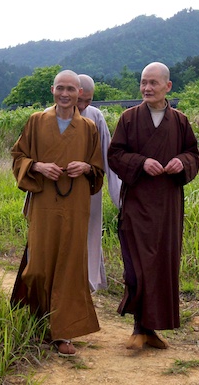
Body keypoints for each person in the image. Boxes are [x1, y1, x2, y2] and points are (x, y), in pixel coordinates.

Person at [10, 70, 105, 356]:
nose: (65, 94)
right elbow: (18, 157)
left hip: (75, 204)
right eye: (60, 89)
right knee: (38, 266)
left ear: (80, 93)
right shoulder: (37, 121)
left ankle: (62, 332)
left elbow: (98, 168)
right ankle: (39, 321)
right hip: (44, 201)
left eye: (71, 90)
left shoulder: (89, 127)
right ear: (52, 90)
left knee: (69, 266)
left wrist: (86, 168)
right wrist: (38, 167)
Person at [108, 62, 199, 350]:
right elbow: (115, 155)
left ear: (167, 87)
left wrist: (181, 162)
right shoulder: (129, 118)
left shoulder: (181, 121)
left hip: (167, 206)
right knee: (136, 266)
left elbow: (193, 155)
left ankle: (151, 328)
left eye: (153, 83)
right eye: (143, 82)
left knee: (161, 266)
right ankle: (138, 327)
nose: (147, 88)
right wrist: (140, 162)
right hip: (137, 202)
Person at [75, 74, 121, 291]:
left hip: (89, 185)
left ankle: (89, 281)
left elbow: (107, 155)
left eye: (88, 101)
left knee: (91, 232)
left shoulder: (95, 116)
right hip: (58, 187)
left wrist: (118, 195)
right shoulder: (47, 116)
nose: (83, 106)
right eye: (79, 101)